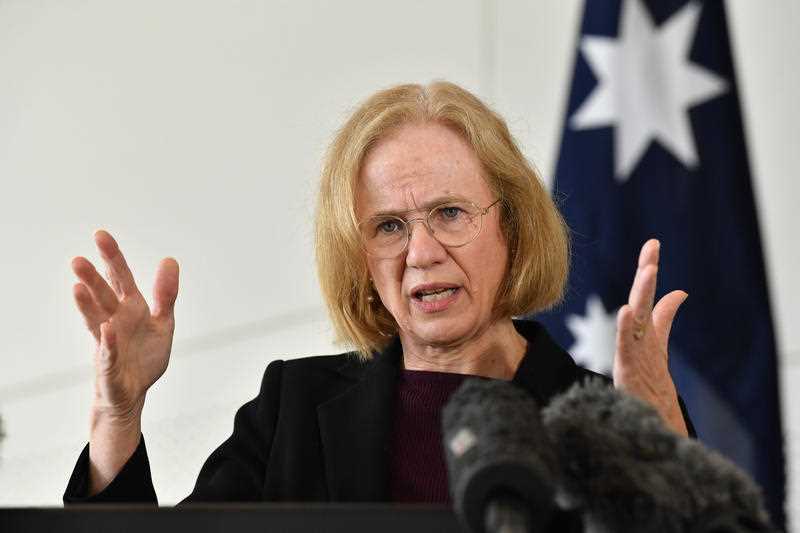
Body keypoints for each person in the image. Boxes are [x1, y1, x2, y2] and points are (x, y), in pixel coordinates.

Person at [64, 81, 692, 507]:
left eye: (450, 213)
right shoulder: (292, 410)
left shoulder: (604, 412)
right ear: (360, 257)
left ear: (513, 225)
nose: (421, 252)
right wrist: (117, 415)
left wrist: (665, 450)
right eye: (389, 226)